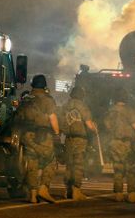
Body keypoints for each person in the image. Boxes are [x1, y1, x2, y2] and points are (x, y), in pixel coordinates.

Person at [18, 74, 59, 203]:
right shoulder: (48, 100)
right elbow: (52, 118)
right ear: (44, 85)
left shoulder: (26, 99)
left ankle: (32, 194)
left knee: (32, 164)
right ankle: (44, 188)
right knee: (50, 161)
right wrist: (57, 133)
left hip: (27, 135)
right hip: (43, 135)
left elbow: (19, 116)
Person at [104, 88, 135, 203]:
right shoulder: (129, 111)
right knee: (131, 169)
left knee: (118, 169)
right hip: (127, 143)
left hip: (114, 142)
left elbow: (107, 126)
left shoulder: (110, 111)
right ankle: (131, 195)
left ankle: (118, 194)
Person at [62, 86, 97, 200]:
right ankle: (76, 191)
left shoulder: (65, 106)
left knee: (69, 165)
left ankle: (68, 190)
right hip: (80, 139)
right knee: (78, 165)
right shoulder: (82, 105)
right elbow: (88, 123)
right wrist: (95, 129)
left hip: (68, 138)